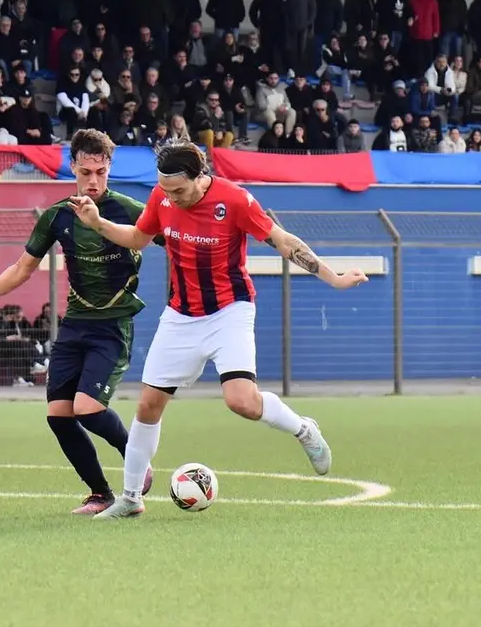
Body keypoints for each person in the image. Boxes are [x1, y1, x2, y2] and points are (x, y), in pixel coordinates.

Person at [68, 143, 368, 519]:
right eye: (166, 189)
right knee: (148, 405)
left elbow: (284, 241)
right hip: (181, 315)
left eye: (179, 190)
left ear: (200, 177)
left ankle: (304, 429)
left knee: (241, 401)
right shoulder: (162, 197)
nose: (171, 198)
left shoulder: (236, 200)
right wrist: (97, 223)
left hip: (230, 311)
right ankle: (130, 498)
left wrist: (334, 278)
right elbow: (137, 238)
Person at [0, 129, 158, 515]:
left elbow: (174, 240)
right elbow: (23, 267)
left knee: (86, 406)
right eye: (86, 172)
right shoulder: (58, 216)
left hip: (112, 326)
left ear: (110, 168)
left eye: (100, 171)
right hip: (74, 326)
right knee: (59, 416)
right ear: (73, 169)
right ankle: (101, 494)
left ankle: (136, 456)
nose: (93, 180)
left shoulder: (132, 210)